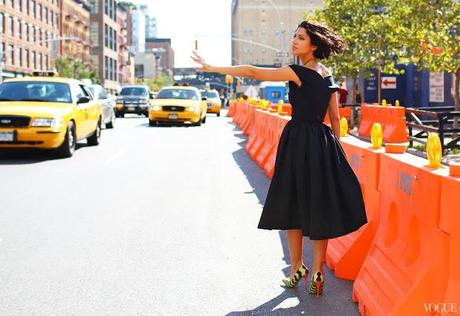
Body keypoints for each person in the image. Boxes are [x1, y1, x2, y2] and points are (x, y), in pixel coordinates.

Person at [192, 21, 367, 297]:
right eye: (294, 37)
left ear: (313, 45)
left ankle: (298, 266)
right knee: (319, 206)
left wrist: (213, 67)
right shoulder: (327, 74)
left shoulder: (297, 71)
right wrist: (337, 153)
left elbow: (250, 71)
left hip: (298, 141)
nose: (294, 42)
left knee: (292, 202)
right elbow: (334, 118)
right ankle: (317, 271)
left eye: (300, 38)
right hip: (323, 143)